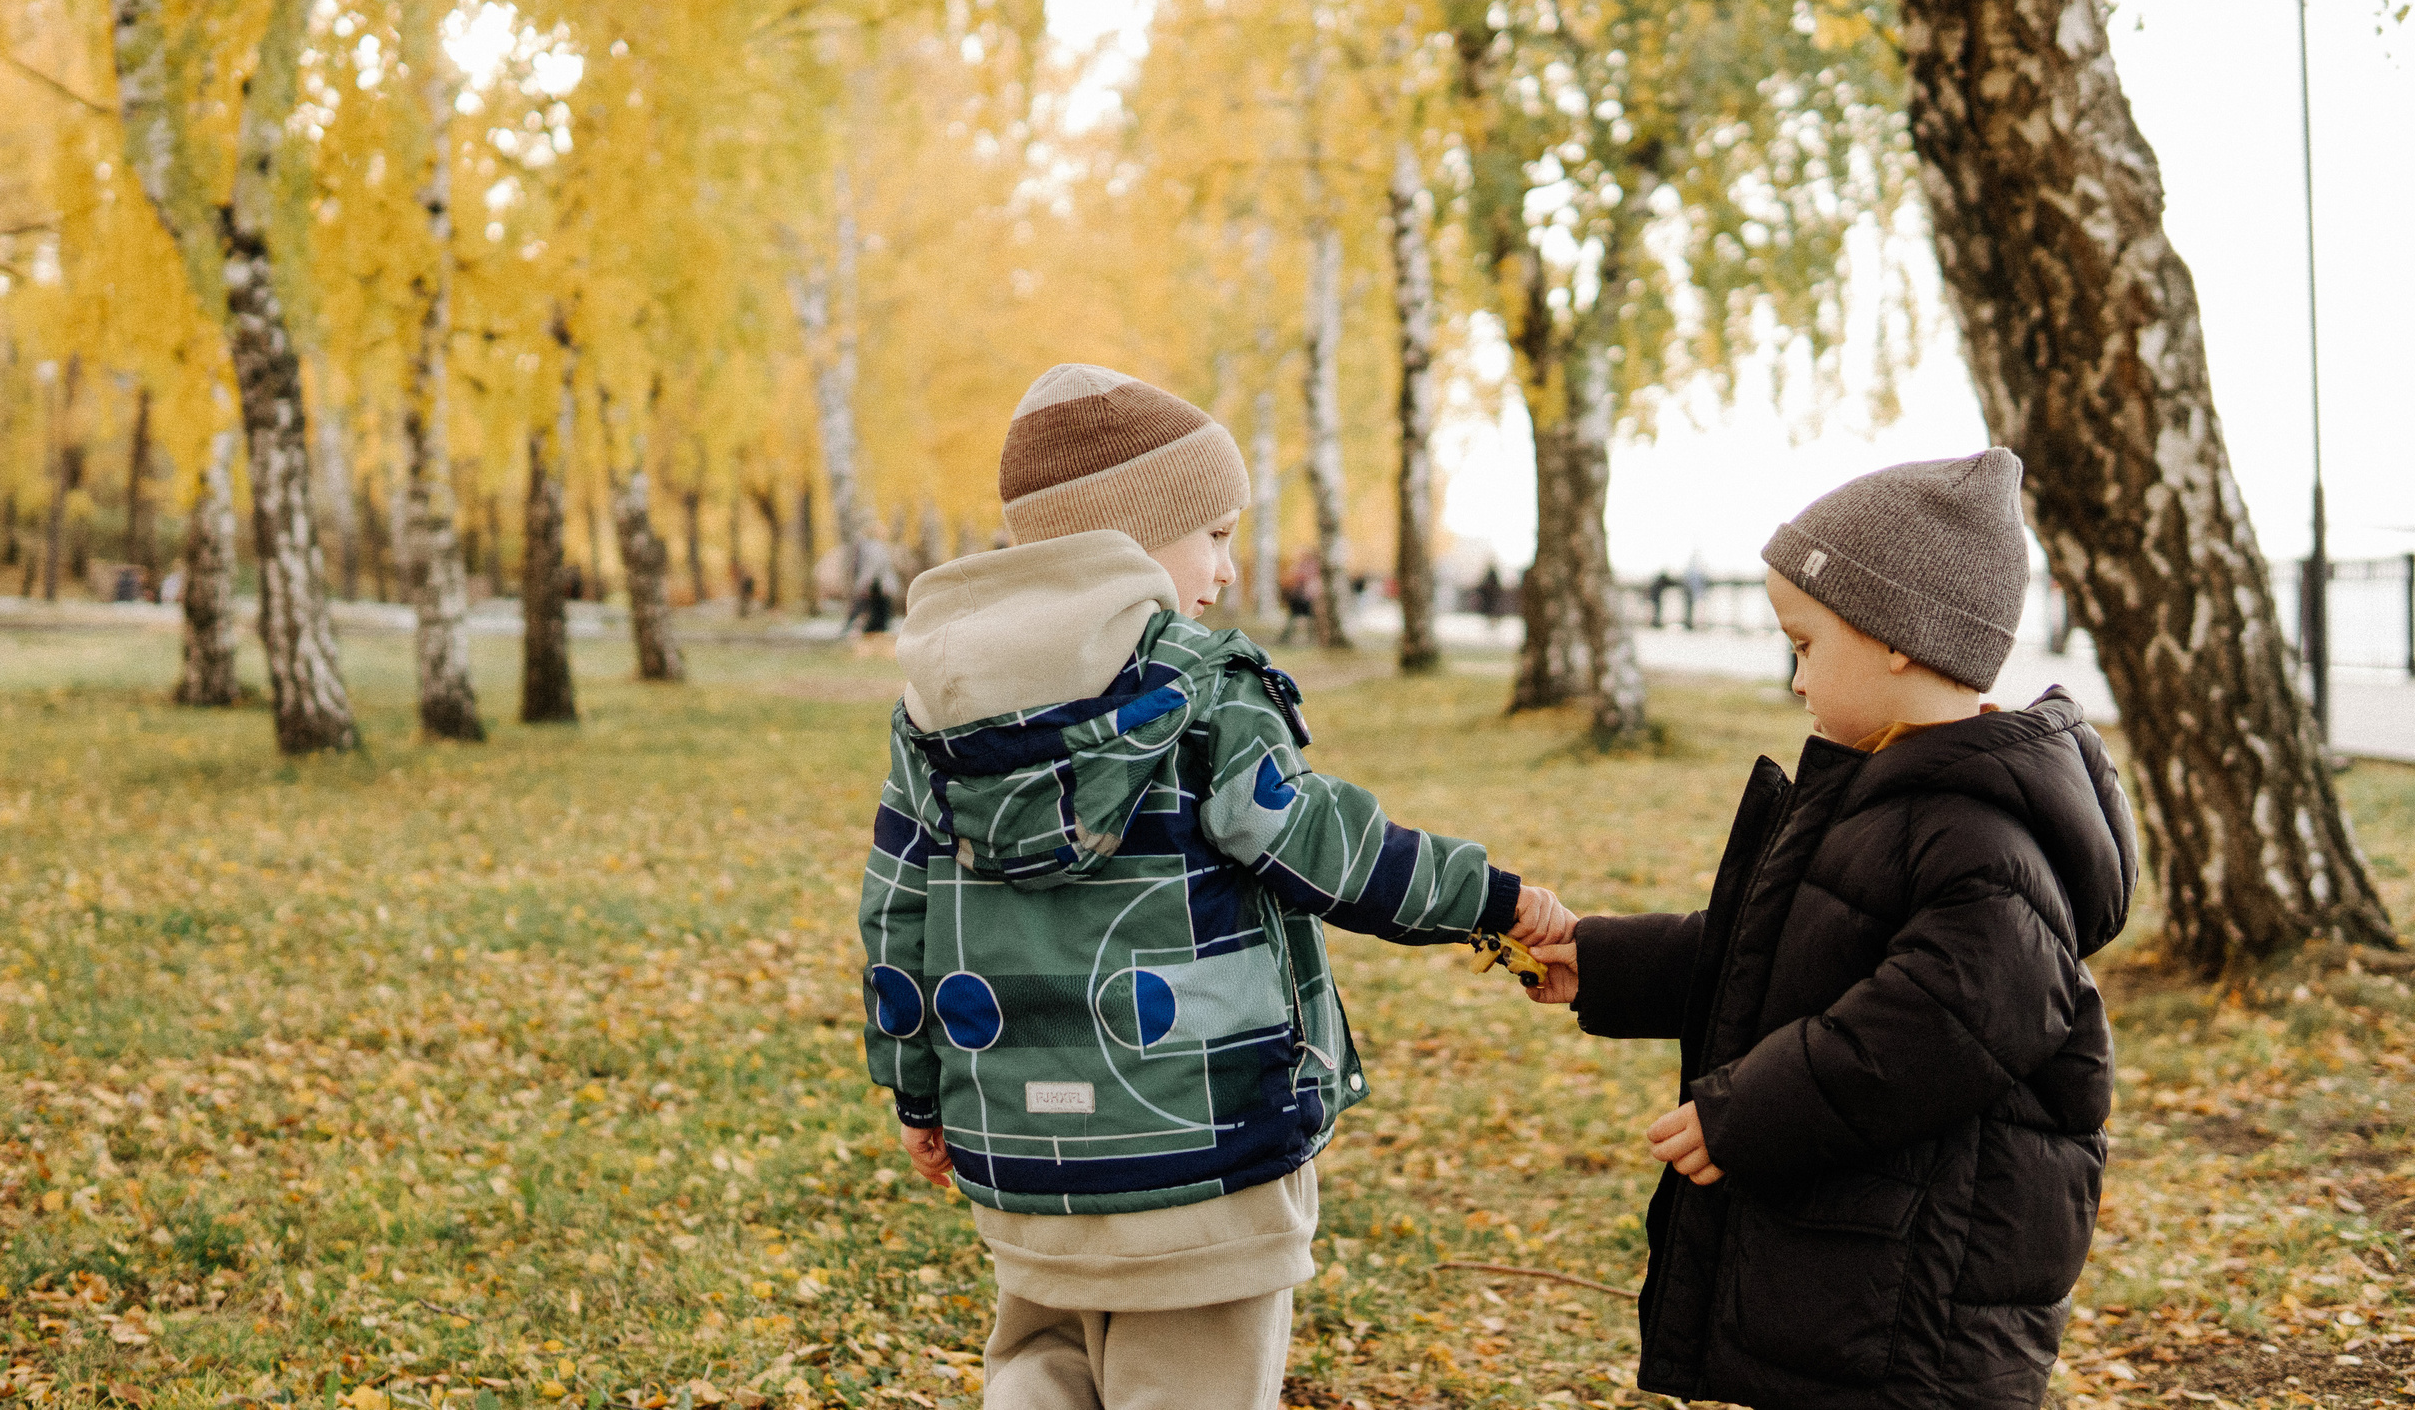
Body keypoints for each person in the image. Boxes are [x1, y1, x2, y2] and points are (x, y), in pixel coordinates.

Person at [861, 364, 1571, 1410]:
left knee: (1040, 1368)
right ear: (1132, 538)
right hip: (1202, 1153)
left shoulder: (939, 707)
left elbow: (896, 915)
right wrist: (1495, 901)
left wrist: (918, 1090)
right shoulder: (1202, 685)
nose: (1229, 571)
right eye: (1217, 535)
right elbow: (1323, 846)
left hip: (1023, 1152)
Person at [1525, 450, 2134, 1410]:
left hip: (1922, 1305)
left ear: (1897, 638)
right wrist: (1605, 962)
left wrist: (1750, 1113)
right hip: (1866, 1261)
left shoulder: (1984, 839)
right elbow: (1777, 955)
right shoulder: (1889, 795)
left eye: (1805, 645)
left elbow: (1928, 1027)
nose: (1797, 679)